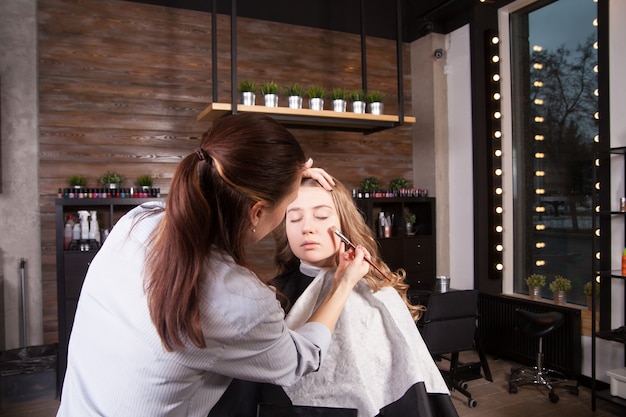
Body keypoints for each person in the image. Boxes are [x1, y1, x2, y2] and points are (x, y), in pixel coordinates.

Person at [56, 113, 372, 417]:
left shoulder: (137, 223)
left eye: (321, 215)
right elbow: (302, 358)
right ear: (257, 213)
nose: (308, 227)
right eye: (292, 209)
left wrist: (281, 173)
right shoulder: (241, 304)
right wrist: (343, 283)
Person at [269, 177, 458, 416]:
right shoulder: (270, 296)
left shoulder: (379, 293)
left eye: (321, 216)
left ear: (344, 225)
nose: (306, 227)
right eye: (294, 218)